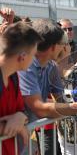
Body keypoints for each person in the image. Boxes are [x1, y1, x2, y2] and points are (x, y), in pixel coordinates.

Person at [18, 19, 77, 155]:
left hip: (25, 132)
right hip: (11, 135)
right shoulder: (26, 65)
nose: (65, 46)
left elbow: (62, 99)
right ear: (53, 46)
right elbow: (39, 108)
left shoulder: (51, 66)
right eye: (62, 43)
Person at [0, 22, 42, 155]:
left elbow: (21, 110)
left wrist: (20, 117)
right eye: (33, 55)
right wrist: (12, 127)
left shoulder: (14, 77)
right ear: (23, 56)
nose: (34, 60)